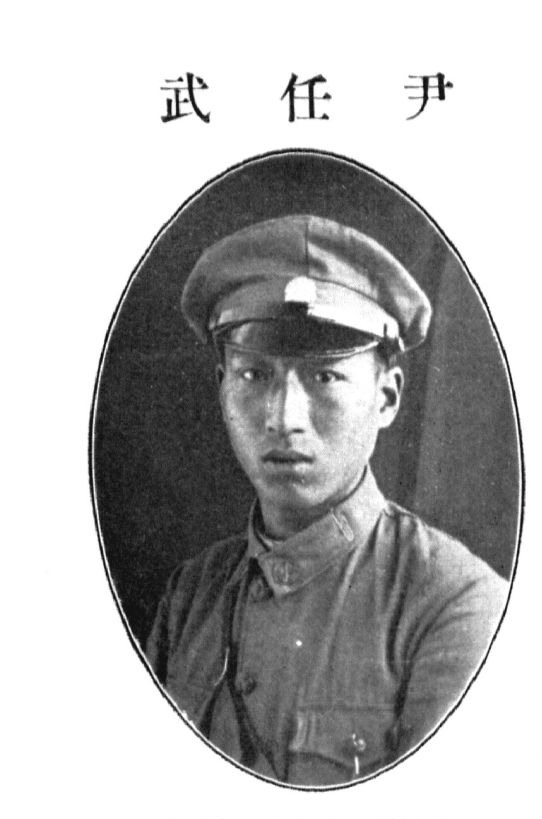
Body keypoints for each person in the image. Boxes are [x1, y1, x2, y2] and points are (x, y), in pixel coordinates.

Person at [146, 214, 508, 786]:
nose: (284, 418)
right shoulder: (190, 599)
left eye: (325, 378)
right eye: (254, 375)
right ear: (221, 388)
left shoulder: (456, 605)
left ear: (386, 398)